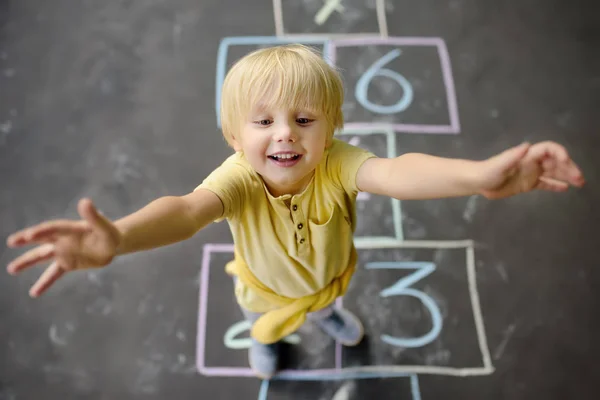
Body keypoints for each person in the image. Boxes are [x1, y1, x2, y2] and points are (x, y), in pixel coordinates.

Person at [5, 44, 585, 379]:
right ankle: (267, 340)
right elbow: (183, 211)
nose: (285, 134)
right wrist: (121, 238)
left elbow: (398, 172)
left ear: (332, 128)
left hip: (329, 276)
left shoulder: (337, 163)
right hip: (266, 290)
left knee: (330, 302)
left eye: (305, 120)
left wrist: (479, 178)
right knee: (266, 326)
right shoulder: (238, 179)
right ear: (234, 136)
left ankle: (325, 315)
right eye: (263, 122)